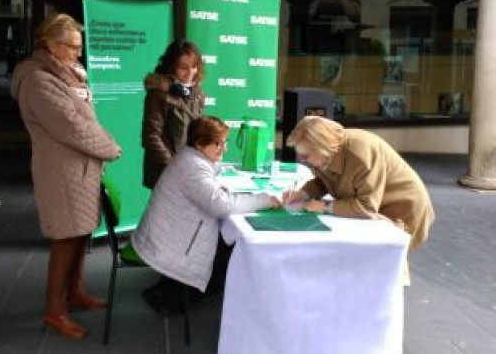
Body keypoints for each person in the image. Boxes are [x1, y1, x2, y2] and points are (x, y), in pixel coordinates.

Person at [10, 13, 122, 339]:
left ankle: (76, 293)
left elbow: (85, 120)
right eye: (71, 47)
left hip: (80, 169)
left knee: (81, 233)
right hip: (62, 172)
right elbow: (72, 127)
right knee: (67, 238)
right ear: (49, 43)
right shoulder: (39, 81)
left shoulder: (66, 74)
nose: (77, 53)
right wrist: (110, 148)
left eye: (79, 47)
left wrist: (102, 145)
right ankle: (54, 311)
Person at [131, 116, 281, 312]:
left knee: (228, 242)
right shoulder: (193, 167)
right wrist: (266, 200)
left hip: (164, 236)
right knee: (235, 251)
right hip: (168, 245)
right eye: (218, 144)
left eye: (225, 142)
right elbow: (221, 205)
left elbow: (209, 176)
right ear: (200, 143)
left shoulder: (189, 156)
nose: (225, 149)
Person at [282, 115, 435, 251]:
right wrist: (303, 194)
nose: (302, 160)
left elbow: (366, 206)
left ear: (322, 147)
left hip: (402, 205)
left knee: (386, 256)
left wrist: (324, 206)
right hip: (376, 204)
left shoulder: (360, 155)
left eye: (305, 155)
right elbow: (325, 181)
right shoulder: (326, 154)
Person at [141, 39, 205, 190]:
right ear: (171, 68)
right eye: (183, 68)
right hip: (166, 172)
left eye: (194, 67)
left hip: (189, 169)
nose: (190, 73)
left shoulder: (198, 94)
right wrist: (174, 164)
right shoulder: (158, 94)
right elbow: (151, 137)